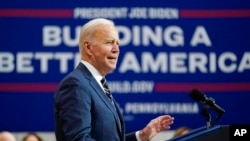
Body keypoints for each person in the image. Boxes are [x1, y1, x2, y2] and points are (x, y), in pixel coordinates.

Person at [54, 18, 175, 141]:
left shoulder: (97, 84)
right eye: (109, 42)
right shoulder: (76, 85)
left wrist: (141, 136)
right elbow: (79, 139)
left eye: (117, 43)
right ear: (89, 47)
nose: (116, 49)